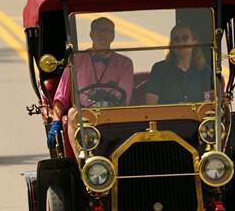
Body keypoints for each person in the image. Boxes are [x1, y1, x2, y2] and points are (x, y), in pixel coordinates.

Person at [47, 17, 134, 146]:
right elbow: (62, 97)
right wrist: (55, 122)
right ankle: (82, 162)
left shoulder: (125, 63)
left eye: (107, 31)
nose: (102, 35)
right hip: (84, 116)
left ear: (113, 36)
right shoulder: (76, 60)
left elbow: (124, 98)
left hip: (113, 114)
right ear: (91, 34)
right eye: (99, 31)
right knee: (72, 113)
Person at [145, 22, 213, 105]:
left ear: (194, 41)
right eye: (176, 39)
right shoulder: (159, 69)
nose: (180, 43)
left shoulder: (204, 70)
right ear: (171, 44)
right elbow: (150, 105)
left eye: (185, 38)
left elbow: (209, 103)